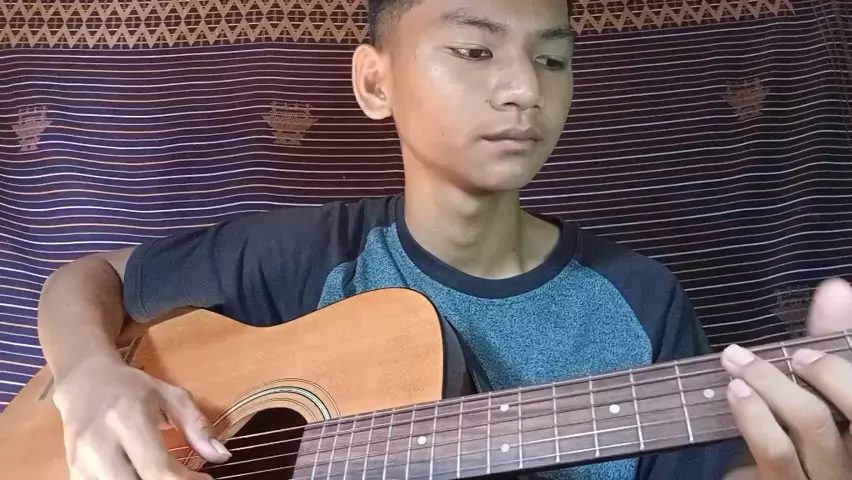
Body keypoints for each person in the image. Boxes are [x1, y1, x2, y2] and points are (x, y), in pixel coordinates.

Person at [36, 0, 852, 479]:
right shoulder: (309, 255)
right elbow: (88, 278)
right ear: (374, 82)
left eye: (554, 60)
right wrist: (88, 374)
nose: (524, 89)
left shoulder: (640, 297)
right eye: (474, 49)